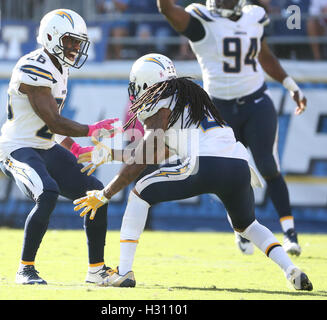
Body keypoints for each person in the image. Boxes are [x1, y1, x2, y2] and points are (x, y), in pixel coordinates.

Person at [73, 53, 313, 291]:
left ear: (146, 82)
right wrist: (109, 154)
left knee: (140, 193)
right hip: (238, 164)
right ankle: (290, 269)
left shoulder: (158, 99)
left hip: (204, 163)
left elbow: (144, 156)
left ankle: (124, 272)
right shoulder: (187, 96)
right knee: (247, 225)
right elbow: (159, 151)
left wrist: (105, 193)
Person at [156, 0, 307, 256]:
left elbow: (265, 55)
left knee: (268, 166)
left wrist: (290, 84)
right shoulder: (202, 21)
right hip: (219, 108)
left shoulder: (254, 16)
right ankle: (243, 228)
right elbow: (168, 9)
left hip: (256, 102)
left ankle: (290, 232)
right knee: (232, 172)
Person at [0, 9, 119, 285]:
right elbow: (53, 120)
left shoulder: (59, 67)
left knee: (95, 193)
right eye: (70, 41)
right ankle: (25, 269)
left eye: (78, 42)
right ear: (51, 37)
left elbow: (50, 128)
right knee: (48, 191)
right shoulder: (33, 65)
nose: (76, 47)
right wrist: (92, 130)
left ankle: (97, 271)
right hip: (17, 149)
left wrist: (74, 150)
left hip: (45, 146)